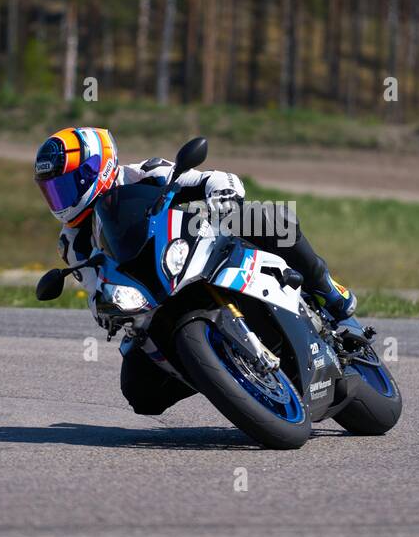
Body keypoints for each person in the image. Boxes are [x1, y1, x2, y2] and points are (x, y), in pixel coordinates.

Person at [34, 126, 357, 415]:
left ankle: (329, 291)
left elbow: (210, 178)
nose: (60, 199)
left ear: (94, 169)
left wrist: (224, 195)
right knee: (139, 394)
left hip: (196, 247)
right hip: (150, 296)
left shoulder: (145, 174)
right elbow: (94, 287)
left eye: (66, 186)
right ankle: (218, 373)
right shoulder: (72, 241)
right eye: (53, 190)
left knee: (271, 220)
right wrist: (104, 308)